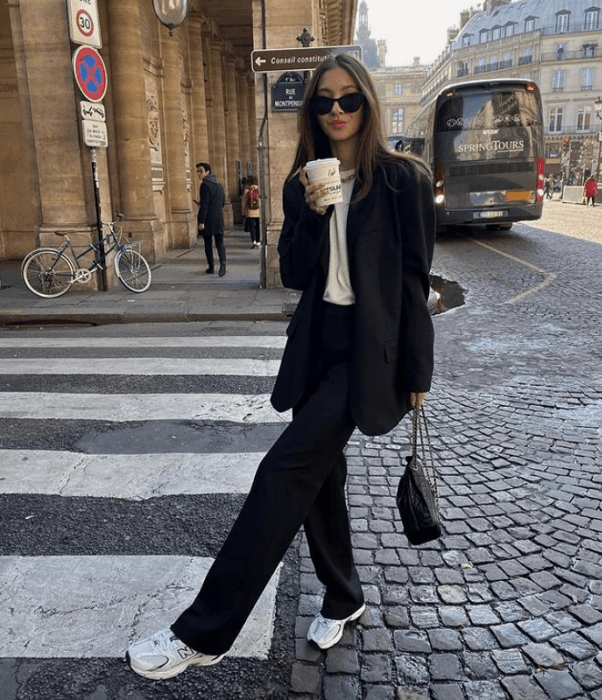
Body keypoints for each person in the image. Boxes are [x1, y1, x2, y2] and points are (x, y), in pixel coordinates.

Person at [126, 53, 435, 681]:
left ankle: (205, 631)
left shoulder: (403, 179)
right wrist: (315, 216)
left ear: (368, 103)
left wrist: (418, 373)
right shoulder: (303, 182)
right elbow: (293, 273)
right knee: (320, 483)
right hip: (317, 344)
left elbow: (414, 284)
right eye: (324, 101)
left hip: (366, 355)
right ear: (312, 111)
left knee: (282, 472)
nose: (338, 111)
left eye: (350, 99)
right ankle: (345, 596)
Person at [196, 162, 227, 276]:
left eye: (201, 171)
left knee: (207, 243)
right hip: (218, 217)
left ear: (207, 172)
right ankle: (223, 262)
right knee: (220, 242)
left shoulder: (205, 185)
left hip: (208, 219)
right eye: (198, 172)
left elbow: (205, 204)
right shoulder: (219, 185)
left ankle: (211, 266)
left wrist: (201, 221)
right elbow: (222, 202)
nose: (199, 174)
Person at [241, 175, 261, 248]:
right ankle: (258, 241)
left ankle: (254, 241)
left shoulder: (247, 191)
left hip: (250, 211)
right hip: (258, 212)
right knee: (258, 227)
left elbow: (243, 203)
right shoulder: (259, 190)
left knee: (252, 227)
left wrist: (243, 213)